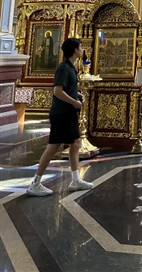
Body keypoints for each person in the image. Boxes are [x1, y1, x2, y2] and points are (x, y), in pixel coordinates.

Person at [27, 38, 94, 196]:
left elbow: (67, 88)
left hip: (68, 112)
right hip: (61, 113)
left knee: (76, 143)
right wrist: (74, 102)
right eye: (80, 47)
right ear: (74, 50)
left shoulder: (71, 67)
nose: (81, 49)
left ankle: (75, 180)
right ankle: (35, 183)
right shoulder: (63, 68)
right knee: (54, 147)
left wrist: (77, 95)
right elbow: (57, 91)